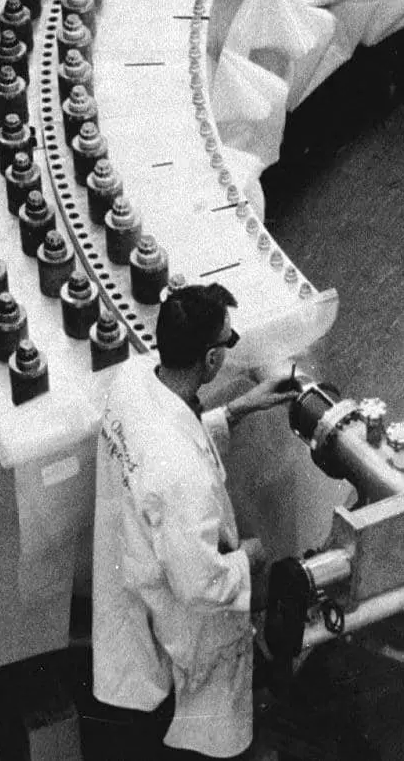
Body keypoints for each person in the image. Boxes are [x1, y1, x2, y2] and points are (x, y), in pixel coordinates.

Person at [90, 284, 299, 759]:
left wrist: (242, 407)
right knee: (201, 721)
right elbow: (200, 584)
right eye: (227, 341)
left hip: (134, 569)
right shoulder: (181, 477)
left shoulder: (133, 380)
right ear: (210, 361)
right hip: (176, 615)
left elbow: (165, 440)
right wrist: (248, 558)